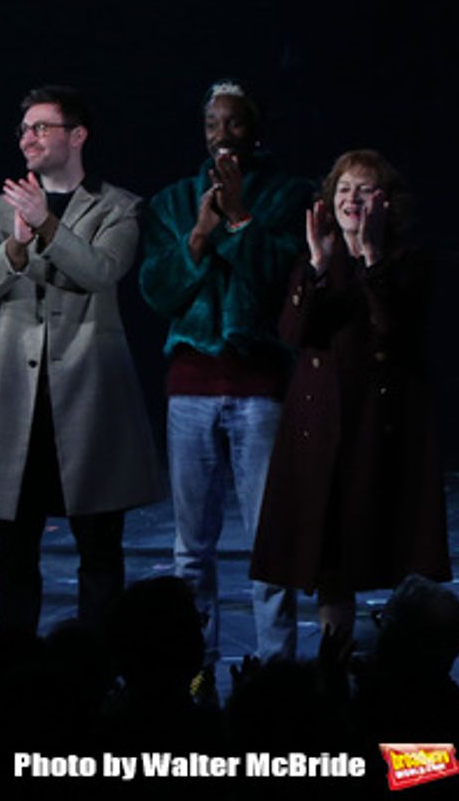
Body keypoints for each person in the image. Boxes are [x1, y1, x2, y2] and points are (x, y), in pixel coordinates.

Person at [0, 85, 163, 634]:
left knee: (99, 553)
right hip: (18, 404)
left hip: (90, 400)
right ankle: (11, 670)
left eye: (41, 127)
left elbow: (100, 270)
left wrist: (47, 226)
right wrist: (17, 243)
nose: (28, 137)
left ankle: (97, 670)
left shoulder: (118, 206)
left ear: (77, 135)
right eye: (24, 128)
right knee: (13, 555)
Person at [139, 80, 310, 670]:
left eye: (234, 124)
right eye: (213, 125)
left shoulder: (290, 196)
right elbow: (157, 291)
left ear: (254, 131)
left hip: (259, 389)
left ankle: (277, 671)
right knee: (192, 551)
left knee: (270, 544)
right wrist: (199, 235)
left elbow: (278, 282)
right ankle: (194, 673)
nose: (222, 137)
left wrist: (239, 218)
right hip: (190, 388)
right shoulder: (173, 201)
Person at [251, 150, 449, 640]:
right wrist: (318, 265)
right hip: (321, 425)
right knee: (330, 562)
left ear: (386, 202)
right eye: (343, 189)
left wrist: (373, 257)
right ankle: (332, 663)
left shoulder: (406, 260)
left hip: (379, 422)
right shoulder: (318, 257)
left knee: (389, 540)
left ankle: (404, 665)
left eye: (363, 189)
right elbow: (295, 333)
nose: (351, 199)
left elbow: (394, 330)